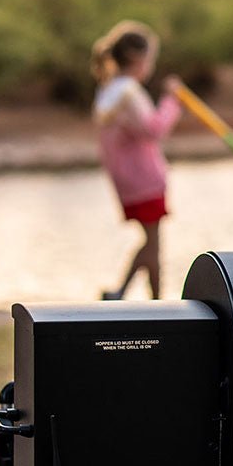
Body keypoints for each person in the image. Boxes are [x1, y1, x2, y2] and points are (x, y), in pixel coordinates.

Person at [91, 21, 182, 300]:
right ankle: (156, 302)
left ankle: (125, 292)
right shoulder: (129, 92)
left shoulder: (108, 91)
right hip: (145, 179)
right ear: (138, 59)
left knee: (150, 241)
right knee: (154, 243)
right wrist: (172, 101)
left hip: (125, 180)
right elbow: (154, 129)